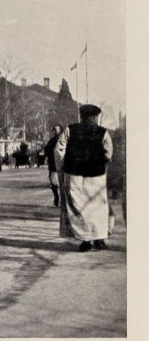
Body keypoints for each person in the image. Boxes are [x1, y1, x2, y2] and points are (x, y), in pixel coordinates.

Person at [55, 104, 113, 252]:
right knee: (97, 207)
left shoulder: (70, 129)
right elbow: (108, 152)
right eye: (94, 117)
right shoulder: (102, 132)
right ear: (94, 117)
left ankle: (85, 239)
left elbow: (59, 150)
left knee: (77, 206)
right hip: (96, 175)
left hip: (74, 174)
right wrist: (103, 165)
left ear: (82, 116)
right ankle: (99, 239)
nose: (93, 119)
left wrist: (62, 167)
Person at [43, 124, 63, 207]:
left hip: (61, 163)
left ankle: (60, 198)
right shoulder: (52, 140)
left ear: (61, 130)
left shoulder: (63, 139)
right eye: (54, 129)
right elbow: (46, 150)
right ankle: (56, 196)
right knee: (53, 181)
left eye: (56, 129)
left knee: (59, 182)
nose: (55, 131)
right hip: (54, 163)